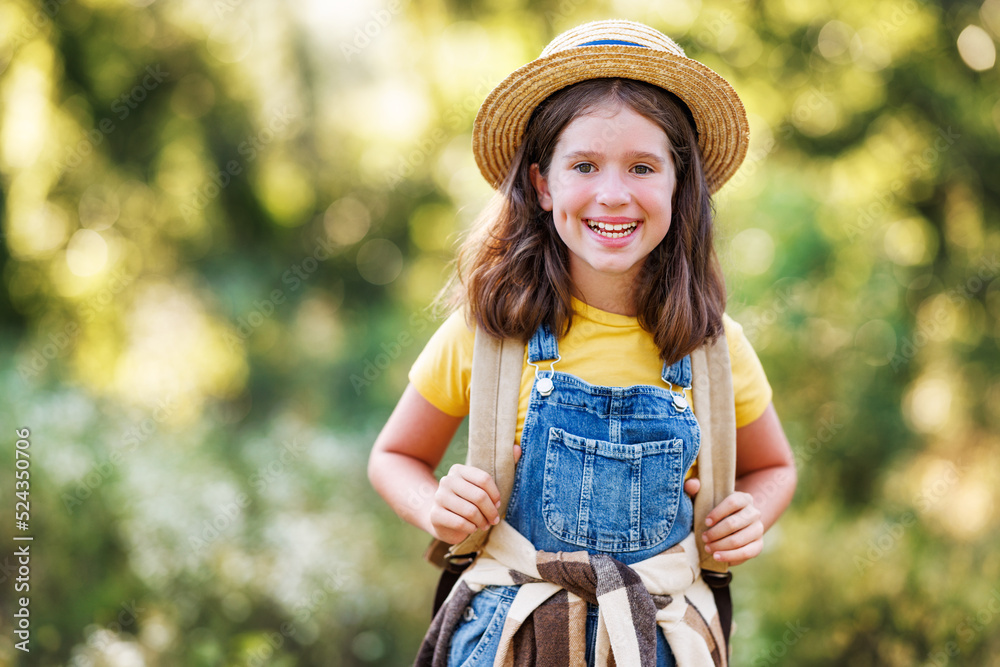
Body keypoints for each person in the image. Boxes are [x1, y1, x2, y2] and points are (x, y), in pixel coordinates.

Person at [369, 19, 797, 666]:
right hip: (511, 641)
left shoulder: (712, 349)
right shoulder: (488, 336)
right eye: (585, 165)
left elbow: (775, 467)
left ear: (680, 185)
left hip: (659, 639)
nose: (613, 193)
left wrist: (750, 514)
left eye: (643, 166)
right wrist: (438, 507)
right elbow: (394, 456)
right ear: (543, 185)